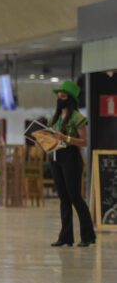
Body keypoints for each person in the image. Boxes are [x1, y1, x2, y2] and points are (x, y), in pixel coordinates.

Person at [48, 80, 96, 247]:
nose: (60, 98)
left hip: (71, 159)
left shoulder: (78, 117)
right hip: (55, 157)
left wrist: (66, 138)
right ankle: (66, 237)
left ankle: (88, 235)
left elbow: (84, 142)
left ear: (70, 98)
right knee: (63, 198)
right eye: (59, 95)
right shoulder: (55, 117)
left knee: (75, 196)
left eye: (63, 95)